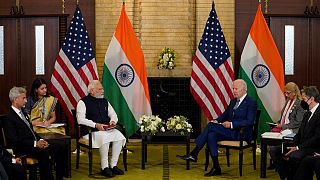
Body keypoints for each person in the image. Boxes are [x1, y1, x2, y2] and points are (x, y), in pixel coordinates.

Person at [177, 79, 257, 176]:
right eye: (233, 89)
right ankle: (216, 167)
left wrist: (232, 124)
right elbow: (225, 114)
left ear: (244, 89)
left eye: (236, 89)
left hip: (241, 134)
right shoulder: (233, 102)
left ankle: (194, 153)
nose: (234, 91)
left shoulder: (251, 103)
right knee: (211, 135)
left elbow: (249, 121)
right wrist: (216, 121)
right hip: (230, 131)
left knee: (210, 127)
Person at [76, 80, 126, 177]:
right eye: (100, 89)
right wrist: (95, 125)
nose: (103, 90)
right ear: (92, 91)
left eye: (102, 88)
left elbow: (113, 114)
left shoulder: (105, 101)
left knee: (119, 136)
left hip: (105, 130)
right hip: (90, 132)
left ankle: (113, 165)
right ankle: (104, 167)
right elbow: (80, 120)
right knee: (105, 137)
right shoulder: (82, 102)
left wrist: (112, 121)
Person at [3, 86, 54, 180]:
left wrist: (41, 140)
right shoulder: (9, 118)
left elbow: (31, 131)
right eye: (24, 98)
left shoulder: (24, 113)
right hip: (21, 148)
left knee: (54, 146)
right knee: (44, 152)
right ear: (15, 99)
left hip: (31, 145)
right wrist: (35, 144)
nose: (26, 101)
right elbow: (14, 140)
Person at [271, 86, 320, 180]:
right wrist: (290, 143)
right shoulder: (307, 113)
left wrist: (297, 147)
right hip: (301, 144)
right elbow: (300, 133)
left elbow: (317, 138)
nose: (302, 101)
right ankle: (287, 177)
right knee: (275, 150)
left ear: (312, 99)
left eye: (304, 99)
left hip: (313, 147)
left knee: (294, 156)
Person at [24, 78, 69, 178]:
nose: (45, 90)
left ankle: (61, 173)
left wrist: (48, 122)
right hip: (35, 129)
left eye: (45, 88)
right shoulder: (30, 100)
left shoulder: (50, 99)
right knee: (52, 145)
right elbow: (27, 120)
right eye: (42, 88)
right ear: (36, 90)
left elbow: (53, 117)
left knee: (63, 143)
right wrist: (39, 123)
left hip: (47, 127)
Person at [268, 82, 305, 169]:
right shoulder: (288, 102)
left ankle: (281, 162)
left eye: (288, 93)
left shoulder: (300, 104)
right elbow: (283, 117)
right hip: (284, 128)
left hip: (293, 130)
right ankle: (276, 161)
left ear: (295, 92)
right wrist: (277, 124)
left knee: (277, 143)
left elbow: (298, 122)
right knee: (269, 136)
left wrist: (283, 126)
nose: (286, 95)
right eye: (285, 93)